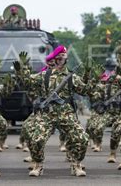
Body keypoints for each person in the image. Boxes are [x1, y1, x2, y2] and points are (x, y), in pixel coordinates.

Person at [15, 45, 90, 177]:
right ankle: (38, 165)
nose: (61, 59)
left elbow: (84, 91)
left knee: (82, 138)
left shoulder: (72, 77)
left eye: (63, 57)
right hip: (47, 114)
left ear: (66, 59)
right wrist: (22, 70)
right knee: (36, 139)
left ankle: (76, 164)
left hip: (66, 113)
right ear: (54, 59)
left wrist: (89, 77)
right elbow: (27, 83)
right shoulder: (44, 75)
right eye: (58, 57)